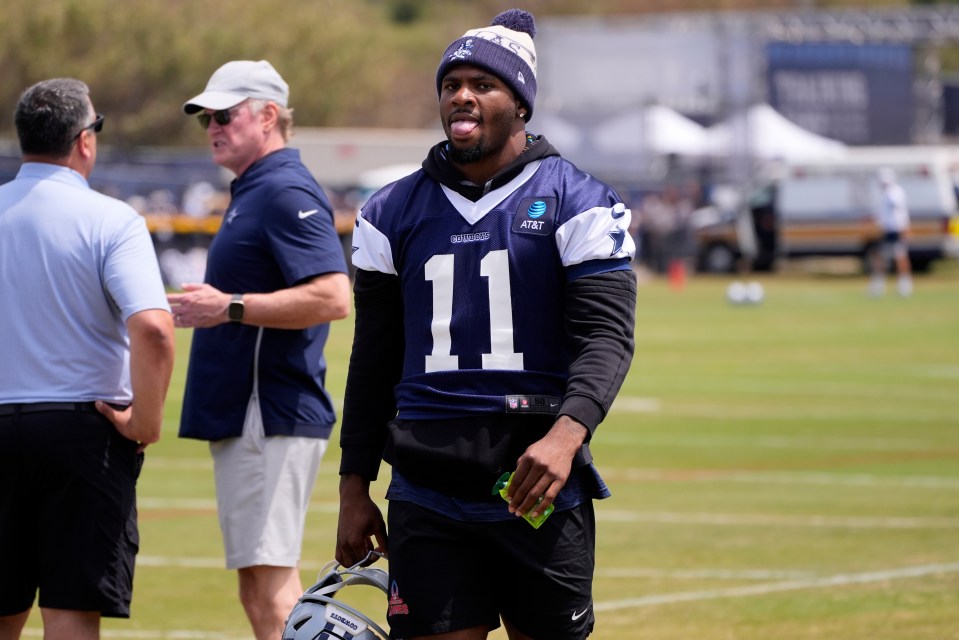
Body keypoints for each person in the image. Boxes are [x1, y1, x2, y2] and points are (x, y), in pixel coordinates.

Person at [335, 9, 636, 640]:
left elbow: (606, 338)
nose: (462, 95)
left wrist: (566, 436)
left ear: (521, 105)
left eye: (483, 83)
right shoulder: (391, 210)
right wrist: (353, 483)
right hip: (425, 491)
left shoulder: (578, 200)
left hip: (536, 486)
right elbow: (374, 359)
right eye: (451, 84)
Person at [167, 60, 351, 640]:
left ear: (268, 116)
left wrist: (230, 306)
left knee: (273, 592)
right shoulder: (257, 188)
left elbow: (333, 294)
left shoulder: (282, 189)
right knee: (262, 586)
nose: (213, 127)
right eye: (206, 119)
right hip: (254, 413)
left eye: (224, 114)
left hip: (266, 410)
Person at [0, 78, 175, 640]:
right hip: (86, 432)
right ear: (84, 140)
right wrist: (144, 422)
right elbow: (153, 328)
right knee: (71, 613)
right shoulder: (111, 220)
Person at [869, 167, 913, 297]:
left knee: (900, 257)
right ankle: (879, 286)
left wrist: (904, 228)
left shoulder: (895, 193)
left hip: (895, 230)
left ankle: (904, 286)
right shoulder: (886, 193)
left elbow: (900, 212)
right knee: (882, 257)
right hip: (887, 230)